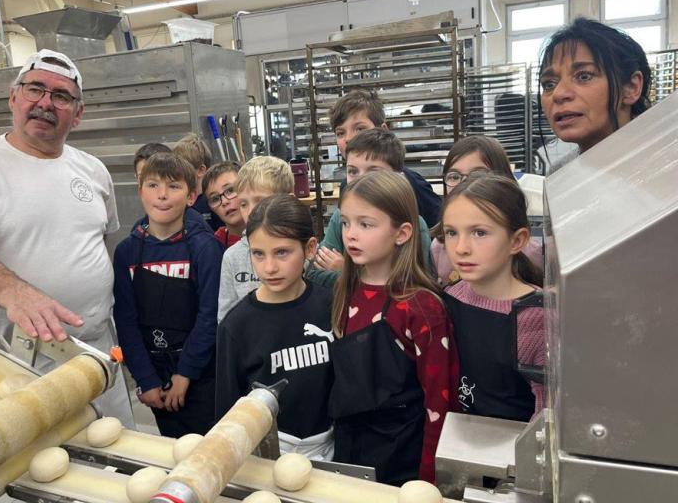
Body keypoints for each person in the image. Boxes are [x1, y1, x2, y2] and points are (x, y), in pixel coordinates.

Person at [0, 49, 133, 425]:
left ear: (78, 114)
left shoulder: (94, 170)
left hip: (96, 349)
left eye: (61, 96)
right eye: (35, 89)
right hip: (18, 356)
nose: (45, 103)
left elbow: (97, 244)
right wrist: (16, 292)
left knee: (119, 450)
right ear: (13, 96)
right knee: (34, 465)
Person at [329, 170, 458, 486]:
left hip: (403, 458)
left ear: (402, 233)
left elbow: (440, 402)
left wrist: (430, 477)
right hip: (352, 450)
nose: (350, 235)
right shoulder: (347, 290)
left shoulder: (421, 307)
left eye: (366, 224)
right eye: (345, 223)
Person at [112, 153, 223, 438]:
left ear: (191, 196)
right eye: (152, 185)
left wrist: (185, 373)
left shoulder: (205, 248)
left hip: (199, 374)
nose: (162, 195)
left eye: (173, 186)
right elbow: (125, 320)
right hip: (154, 376)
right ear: (140, 192)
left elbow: (210, 315)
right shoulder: (127, 252)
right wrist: (145, 379)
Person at [216, 195, 334, 459]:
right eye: (258, 254)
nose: (269, 267)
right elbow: (226, 409)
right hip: (268, 449)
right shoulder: (237, 325)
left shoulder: (331, 306)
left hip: (331, 445)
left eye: (282, 252)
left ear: (310, 248)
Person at [440, 173, 545, 422]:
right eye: (451, 233)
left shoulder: (536, 316)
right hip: (458, 442)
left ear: (517, 240)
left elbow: (547, 413)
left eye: (479, 233)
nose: (461, 248)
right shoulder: (449, 298)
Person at [538, 17, 652, 172]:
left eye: (584, 76)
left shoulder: (666, 167)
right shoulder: (560, 175)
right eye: (549, 84)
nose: (558, 94)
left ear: (631, 87)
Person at [313, 129, 432, 274]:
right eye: (353, 171)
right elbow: (315, 273)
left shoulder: (416, 225)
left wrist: (344, 272)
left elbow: (418, 281)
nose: (361, 179)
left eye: (374, 172)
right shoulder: (340, 217)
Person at [431, 136, 543, 286]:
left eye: (478, 175)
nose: (464, 184)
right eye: (454, 176)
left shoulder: (530, 252)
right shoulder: (438, 246)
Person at [329, 90, 441, 228]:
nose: (349, 139)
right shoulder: (346, 186)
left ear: (383, 130)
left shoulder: (412, 183)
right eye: (340, 133)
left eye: (359, 129)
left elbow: (439, 229)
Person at [217, 155, 294, 322]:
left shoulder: (302, 251)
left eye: (261, 201)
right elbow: (225, 319)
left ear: (289, 201)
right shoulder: (232, 257)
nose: (251, 212)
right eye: (244, 204)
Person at [173, 133, 223, 230]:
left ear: (201, 170)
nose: (175, 173)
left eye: (181, 168)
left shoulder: (214, 202)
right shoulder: (176, 200)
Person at [202, 161, 243, 249]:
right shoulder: (213, 245)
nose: (224, 202)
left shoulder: (273, 233)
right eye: (215, 199)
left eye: (230, 190)